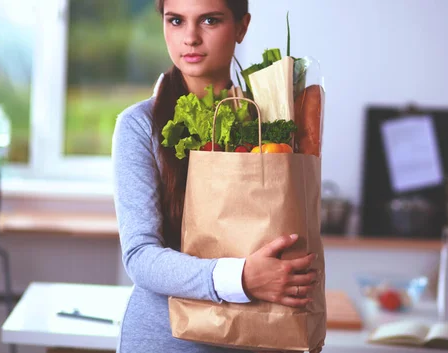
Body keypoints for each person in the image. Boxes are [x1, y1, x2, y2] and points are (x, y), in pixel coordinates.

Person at [111, 0, 320, 352]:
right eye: (175, 20)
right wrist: (243, 278)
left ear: (241, 27)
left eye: (209, 20)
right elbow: (141, 257)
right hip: (166, 339)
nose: (190, 37)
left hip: (262, 335)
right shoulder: (138, 126)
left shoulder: (274, 121)